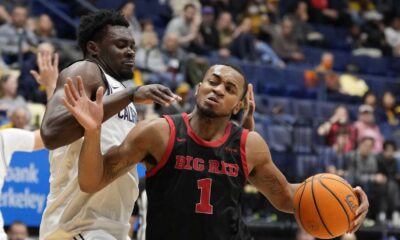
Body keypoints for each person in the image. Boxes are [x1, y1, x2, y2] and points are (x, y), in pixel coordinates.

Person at [64, 64, 369, 239]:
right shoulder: (157, 133)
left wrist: (348, 201)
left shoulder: (249, 145)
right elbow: (93, 181)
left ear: (238, 105)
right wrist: (93, 131)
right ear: (198, 89)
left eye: (229, 88)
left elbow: (289, 198)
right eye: (213, 81)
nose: (218, 89)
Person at [38, 9, 180, 240]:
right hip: (75, 227)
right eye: (121, 45)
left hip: (110, 226)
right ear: (94, 48)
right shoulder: (86, 70)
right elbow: (51, 133)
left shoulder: (120, 93)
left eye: (132, 45)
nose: (131, 51)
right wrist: (132, 94)